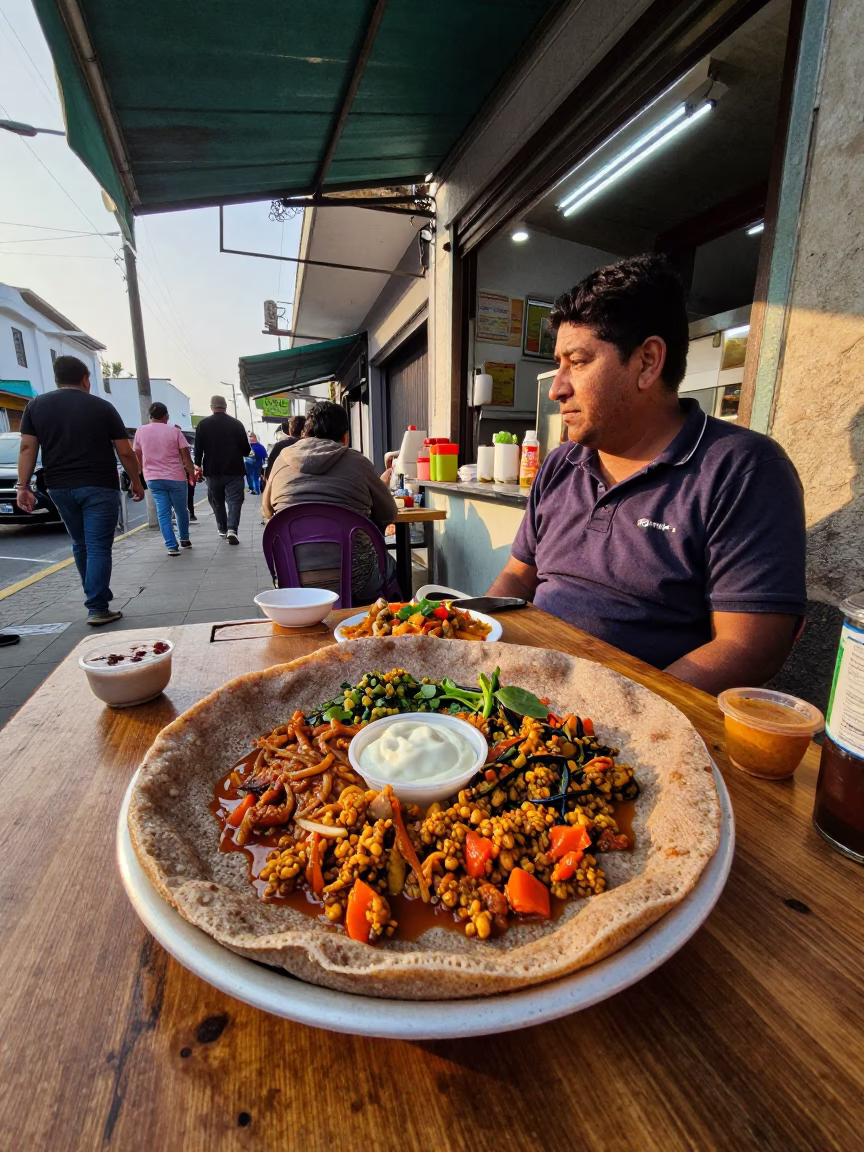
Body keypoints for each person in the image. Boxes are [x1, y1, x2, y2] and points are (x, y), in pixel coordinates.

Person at [488, 254, 807, 695]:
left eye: (577, 362)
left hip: (637, 723)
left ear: (647, 362)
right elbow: (517, 577)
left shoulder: (742, 469)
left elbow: (752, 646)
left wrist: (623, 711)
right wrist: (479, 641)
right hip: (527, 687)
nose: (558, 387)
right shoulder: (563, 464)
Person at [16, 354, 144, 625]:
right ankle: (97, 605)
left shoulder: (35, 406)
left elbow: (28, 448)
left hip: (59, 486)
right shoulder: (102, 407)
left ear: (57, 379)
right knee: (98, 545)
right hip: (99, 484)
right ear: (86, 379)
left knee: (80, 543)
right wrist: (136, 481)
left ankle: (96, 599)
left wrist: (23, 486)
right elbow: (125, 451)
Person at [262, 401, 398, 601]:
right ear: (345, 437)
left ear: (304, 435)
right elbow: (389, 514)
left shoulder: (280, 461)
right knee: (393, 566)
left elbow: (267, 512)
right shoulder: (358, 462)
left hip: (292, 579)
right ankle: (399, 624)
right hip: (357, 580)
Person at [134, 403, 195, 555]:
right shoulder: (175, 431)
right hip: (176, 477)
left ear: (151, 416)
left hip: (153, 478)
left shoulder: (140, 431)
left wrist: (140, 473)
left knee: (163, 512)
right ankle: (184, 538)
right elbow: (186, 456)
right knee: (181, 510)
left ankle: (171, 546)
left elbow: (138, 455)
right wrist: (192, 473)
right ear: (166, 415)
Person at [193, 394, 250, 544]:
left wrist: (197, 466)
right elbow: (246, 450)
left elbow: (198, 449)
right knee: (235, 500)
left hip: (212, 470)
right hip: (235, 469)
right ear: (225, 407)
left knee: (217, 501)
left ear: (211, 407)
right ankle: (232, 529)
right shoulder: (237, 424)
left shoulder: (203, 424)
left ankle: (222, 528)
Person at [263, 415, 305, 482]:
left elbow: (270, 470)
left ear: (291, 430)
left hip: (283, 484)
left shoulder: (280, 446)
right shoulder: (310, 446)